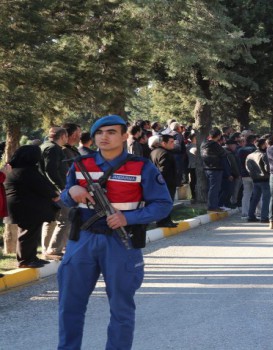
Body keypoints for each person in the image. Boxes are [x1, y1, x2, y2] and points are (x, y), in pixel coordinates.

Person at [57, 115, 173, 349]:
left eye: (111, 132)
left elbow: (163, 204)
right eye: (99, 133)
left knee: (121, 308)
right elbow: (64, 197)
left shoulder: (142, 167)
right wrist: (72, 192)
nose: (104, 137)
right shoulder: (80, 165)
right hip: (83, 240)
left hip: (121, 242)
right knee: (69, 306)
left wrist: (127, 217)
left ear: (123, 136)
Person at [5, 146, 59, 268]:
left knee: (31, 232)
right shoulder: (26, 171)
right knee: (28, 233)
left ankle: (31, 257)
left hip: (26, 207)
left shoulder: (16, 169)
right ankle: (25, 260)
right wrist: (54, 194)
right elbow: (43, 187)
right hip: (26, 208)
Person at [40, 127, 69, 260]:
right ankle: (54, 249)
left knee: (50, 220)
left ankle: (46, 249)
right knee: (65, 218)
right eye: (66, 136)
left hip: (45, 189)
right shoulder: (54, 149)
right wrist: (60, 188)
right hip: (55, 190)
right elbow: (50, 170)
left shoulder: (44, 146)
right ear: (62, 136)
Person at [149, 134, 178, 228]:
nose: (173, 144)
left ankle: (164, 220)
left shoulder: (154, 152)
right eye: (171, 142)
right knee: (167, 202)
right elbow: (163, 170)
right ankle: (165, 221)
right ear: (163, 143)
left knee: (163, 202)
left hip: (159, 182)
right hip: (166, 183)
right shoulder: (165, 153)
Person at [201, 128, 228, 212]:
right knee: (215, 188)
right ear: (219, 135)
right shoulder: (215, 144)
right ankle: (213, 206)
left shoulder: (203, 143)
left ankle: (212, 205)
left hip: (207, 168)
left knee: (212, 188)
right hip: (216, 168)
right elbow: (224, 153)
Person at [246, 138, 271, 223]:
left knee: (255, 198)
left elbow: (247, 167)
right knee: (266, 198)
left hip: (255, 179)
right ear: (263, 145)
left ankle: (250, 215)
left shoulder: (249, 155)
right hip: (265, 179)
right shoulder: (263, 155)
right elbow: (267, 168)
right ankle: (264, 217)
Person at [237, 134, 258, 218]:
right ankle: (259, 211)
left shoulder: (241, 150)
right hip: (255, 175)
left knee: (246, 194)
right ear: (254, 141)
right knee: (257, 193)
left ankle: (245, 212)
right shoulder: (255, 150)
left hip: (244, 174)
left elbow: (238, 162)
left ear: (246, 141)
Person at [186, 132, 200, 203]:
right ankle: (194, 195)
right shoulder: (193, 146)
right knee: (194, 181)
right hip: (194, 166)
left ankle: (194, 195)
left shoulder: (189, 146)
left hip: (191, 165)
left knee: (193, 181)